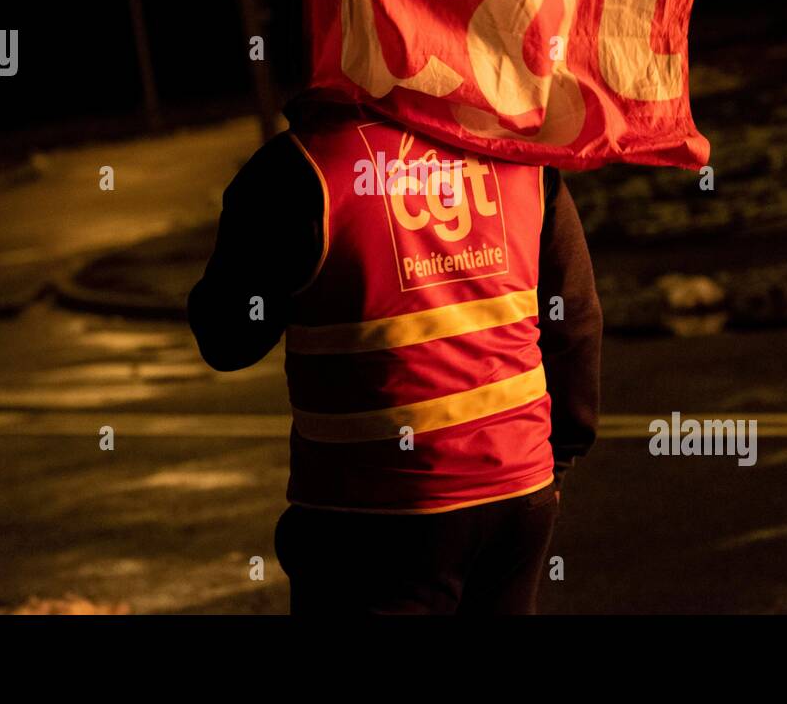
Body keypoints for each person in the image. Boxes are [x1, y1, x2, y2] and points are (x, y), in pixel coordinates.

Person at [188, 92, 601, 614]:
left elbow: (227, 340)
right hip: (518, 495)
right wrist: (557, 461)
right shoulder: (514, 150)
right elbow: (575, 319)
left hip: (370, 513)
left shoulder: (300, 167)